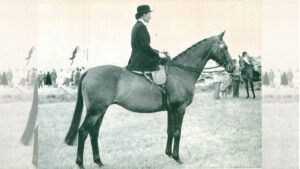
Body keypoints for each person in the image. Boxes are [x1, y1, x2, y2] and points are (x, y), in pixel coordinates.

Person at [126, 5, 168, 73]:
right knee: (165, 59)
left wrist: (157, 52)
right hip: (141, 59)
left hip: (137, 57)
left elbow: (144, 46)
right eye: (149, 14)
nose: (150, 16)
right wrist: (158, 54)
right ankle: (158, 83)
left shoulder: (137, 25)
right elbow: (145, 46)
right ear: (144, 14)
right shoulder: (141, 27)